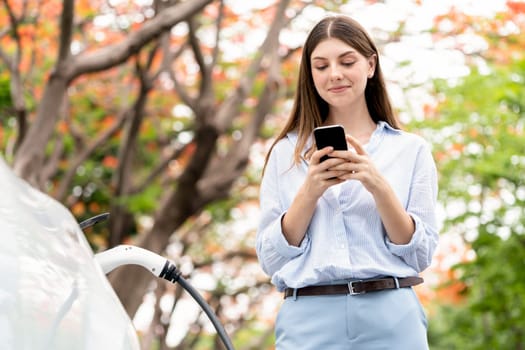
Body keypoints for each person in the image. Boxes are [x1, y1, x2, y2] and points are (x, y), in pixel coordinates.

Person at [256, 15, 439, 349]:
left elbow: (420, 253)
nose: (334, 74)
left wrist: (378, 186)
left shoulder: (410, 150)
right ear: (310, 76)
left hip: (391, 316)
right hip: (307, 319)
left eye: (347, 61)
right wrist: (310, 191)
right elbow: (270, 259)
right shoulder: (285, 154)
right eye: (321, 66)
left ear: (370, 65)